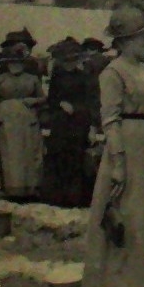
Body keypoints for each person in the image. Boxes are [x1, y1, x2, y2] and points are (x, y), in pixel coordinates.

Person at [83, 0, 144, 287]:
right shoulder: (112, 73)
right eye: (142, 37)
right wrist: (118, 163)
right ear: (124, 42)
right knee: (129, 219)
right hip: (126, 148)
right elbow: (110, 120)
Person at [41, 38, 98, 208]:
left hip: (80, 122)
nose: (70, 64)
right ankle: (58, 197)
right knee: (59, 156)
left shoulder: (86, 77)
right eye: (67, 60)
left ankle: (77, 198)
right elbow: (51, 99)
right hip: (61, 122)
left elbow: (91, 102)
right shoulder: (58, 76)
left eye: (73, 60)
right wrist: (60, 104)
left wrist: (91, 125)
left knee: (77, 158)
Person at [0, 45, 46, 201]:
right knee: (10, 153)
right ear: (7, 63)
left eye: (18, 62)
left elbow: (43, 98)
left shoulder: (32, 79)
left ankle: (30, 189)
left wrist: (34, 100)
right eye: (12, 62)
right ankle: (11, 189)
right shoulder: (0, 80)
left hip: (27, 119)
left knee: (29, 153)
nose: (15, 65)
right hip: (6, 120)